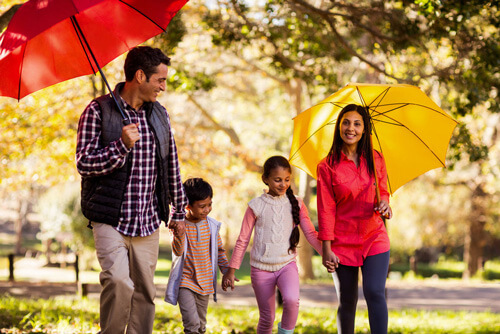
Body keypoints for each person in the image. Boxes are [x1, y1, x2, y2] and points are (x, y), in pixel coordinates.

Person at [76, 46, 188, 334]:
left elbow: (171, 165)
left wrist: (178, 214)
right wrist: (121, 146)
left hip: (148, 221)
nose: (163, 87)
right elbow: (84, 163)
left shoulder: (160, 115)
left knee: (144, 294)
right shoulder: (97, 110)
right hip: (110, 218)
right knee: (117, 281)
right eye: (160, 80)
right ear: (140, 76)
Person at [222, 155, 322, 334]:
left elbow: (310, 233)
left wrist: (325, 253)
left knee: (292, 300)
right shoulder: (256, 206)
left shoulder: (296, 203)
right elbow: (243, 239)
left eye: (286, 180)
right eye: (277, 180)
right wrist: (231, 269)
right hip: (261, 269)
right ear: (266, 179)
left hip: (287, 264)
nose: (283, 184)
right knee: (267, 317)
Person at [316, 104, 393, 334]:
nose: (351, 128)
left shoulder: (376, 159)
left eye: (357, 123)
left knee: (374, 291)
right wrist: (326, 248)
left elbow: (384, 191)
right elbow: (325, 209)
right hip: (342, 242)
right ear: (339, 127)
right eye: (346, 122)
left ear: (364, 129)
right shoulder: (327, 166)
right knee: (347, 302)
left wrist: (385, 203)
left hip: (374, 236)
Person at [165, 177, 230, 334]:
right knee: (192, 324)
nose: (207, 209)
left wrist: (226, 271)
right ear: (187, 206)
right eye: (202, 206)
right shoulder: (180, 225)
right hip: (185, 281)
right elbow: (178, 251)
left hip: (205, 283)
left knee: (200, 326)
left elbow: (219, 251)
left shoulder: (212, 226)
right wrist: (179, 234)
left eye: (209, 204)